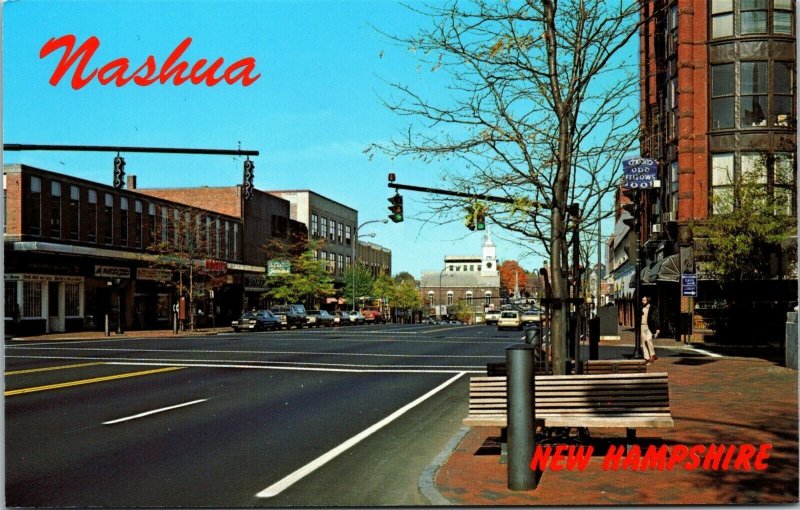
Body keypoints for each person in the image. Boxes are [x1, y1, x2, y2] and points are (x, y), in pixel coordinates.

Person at [641, 295, 660, 363]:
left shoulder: (653, 308)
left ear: (648, 301)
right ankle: (647, 357)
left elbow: (656, 318)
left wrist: (657, 328)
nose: (642, 301)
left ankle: (652, 354)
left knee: (648, 339)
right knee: (643, 342)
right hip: (642, 326)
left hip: (650, 326)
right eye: (642, 300)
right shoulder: (641, 308)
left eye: (644, 300)